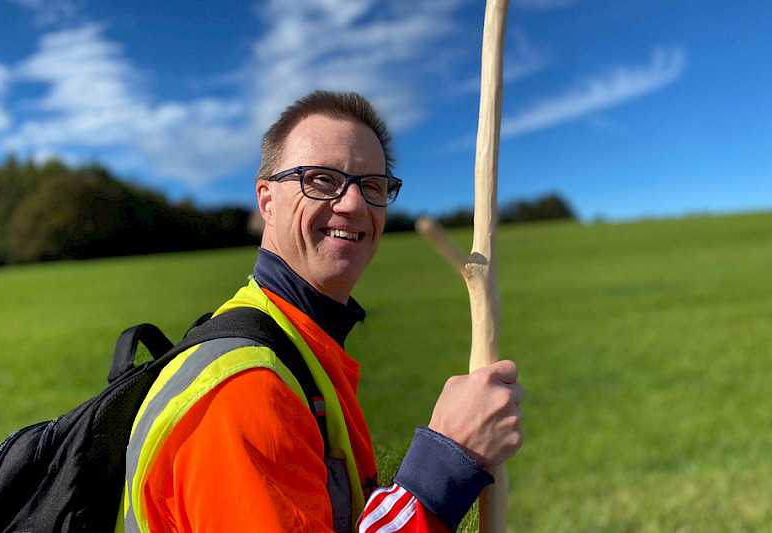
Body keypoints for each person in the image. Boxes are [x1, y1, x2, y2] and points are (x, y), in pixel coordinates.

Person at [123, 91, 524, 533]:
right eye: (320, 179)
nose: (353, 204)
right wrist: (445, 461)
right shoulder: (248, 392)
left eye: (372, 186)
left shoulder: (296, 344)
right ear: (266, 200)